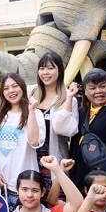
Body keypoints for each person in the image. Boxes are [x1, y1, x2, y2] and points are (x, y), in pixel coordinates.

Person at [0, 73, 45, 207]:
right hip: (2, 185)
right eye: (6, 88)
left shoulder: (35, 113)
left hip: (26, 186)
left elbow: (34, 141)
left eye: (14, 86)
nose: (11, 91)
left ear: (22, 88)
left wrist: (31, 111)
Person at [31, 53, 80, 194]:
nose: (45, 73)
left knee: (55, 203)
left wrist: (69, 99)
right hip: (30, 159)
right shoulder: (32, 94)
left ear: (60, 70)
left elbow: (64, 129)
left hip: (54, 159)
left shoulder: (68, 98)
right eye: (42, 68)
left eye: (50, 68)